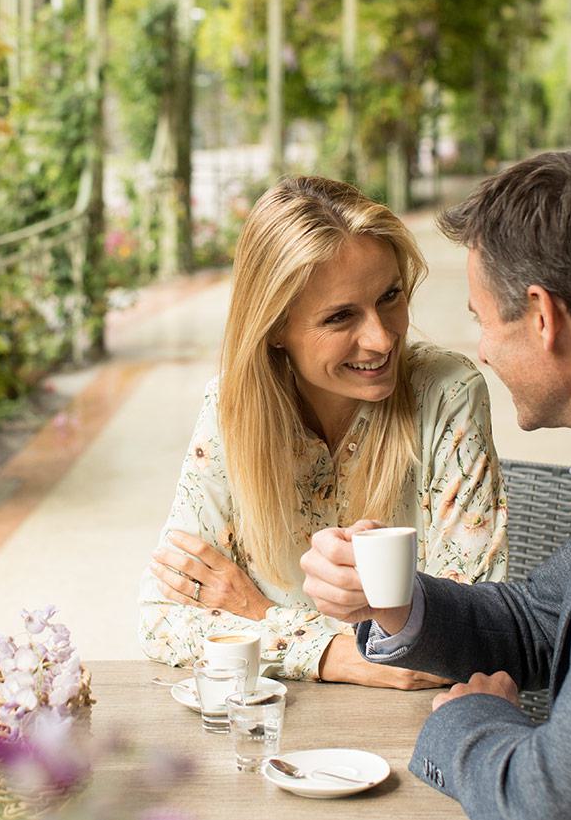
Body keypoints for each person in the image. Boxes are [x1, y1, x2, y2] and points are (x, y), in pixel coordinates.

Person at [301, 152, 571, 817]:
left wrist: (467, 719)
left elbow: (557, 803)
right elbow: (540, 617)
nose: (481, 352)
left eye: (482, 319)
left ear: (541, 316)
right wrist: (395, 604)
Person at [138, 176, 508, 686]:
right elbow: (161, 621)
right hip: (269, 737)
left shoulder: (447, 394)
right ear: (274, 329)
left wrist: (257, 612)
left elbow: (468, 639)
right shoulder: (230, 409)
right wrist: (344, 654)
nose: (381, 339)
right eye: (340, 317)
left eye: (390, 296)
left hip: (412, 737)